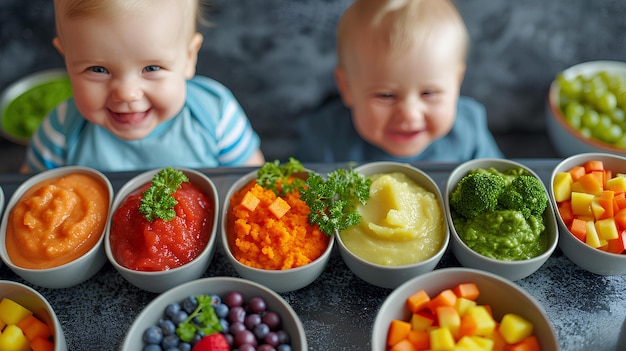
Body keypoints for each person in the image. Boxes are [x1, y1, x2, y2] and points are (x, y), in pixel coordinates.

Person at [22, 0, 264, 173]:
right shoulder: (60, 131)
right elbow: (29, 193)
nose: (126, 93)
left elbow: (250, 179)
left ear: (189, 58)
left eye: (151, 68)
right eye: (98, 70)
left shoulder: (216, 114)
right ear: (67, 59)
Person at [296, 0, 503, 163]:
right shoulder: (324, 136)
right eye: (386, 95)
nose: (409, 114)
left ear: (457, 83)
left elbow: (501, 187)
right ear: (347, 88)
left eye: (428, 93)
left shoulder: (470, 128)